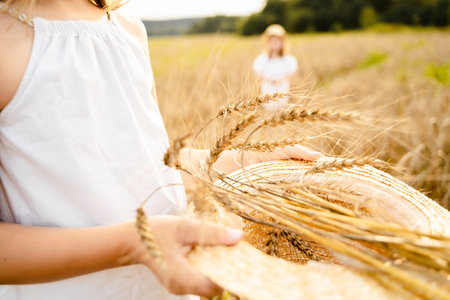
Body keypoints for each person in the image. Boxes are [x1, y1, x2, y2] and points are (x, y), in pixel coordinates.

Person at [0, 1, 321, 299]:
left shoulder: (127, 29)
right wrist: (133, 245)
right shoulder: (7, 41)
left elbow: (150, 165)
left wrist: (241, 160)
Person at [253, 24, 298, 110]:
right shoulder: (261, 60)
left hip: (282, 95)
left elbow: (289, 75)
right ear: (267, 42)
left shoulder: (289, 59)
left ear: (283, 42)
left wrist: (280, 80)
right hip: (267, 95)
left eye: (278, 40)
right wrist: (268, 80)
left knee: (281, 112)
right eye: (272, 40)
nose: (275, 42)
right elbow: (259, 75)